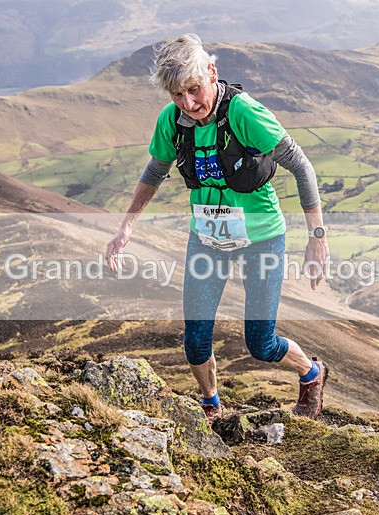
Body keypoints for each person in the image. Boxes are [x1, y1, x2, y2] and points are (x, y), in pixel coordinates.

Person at [105, 34, 330, 422]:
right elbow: (156, 170)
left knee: (260, 343)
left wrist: (317, 237)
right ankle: (211, 406)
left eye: (193, 90)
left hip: (261, 238)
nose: (188, 104)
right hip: (207, 239)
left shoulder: (244, 113)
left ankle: (312, 373)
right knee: (194, 341)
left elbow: (300, 165)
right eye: (177, 95)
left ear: (212, 71)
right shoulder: (171, 122)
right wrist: (126, 228)